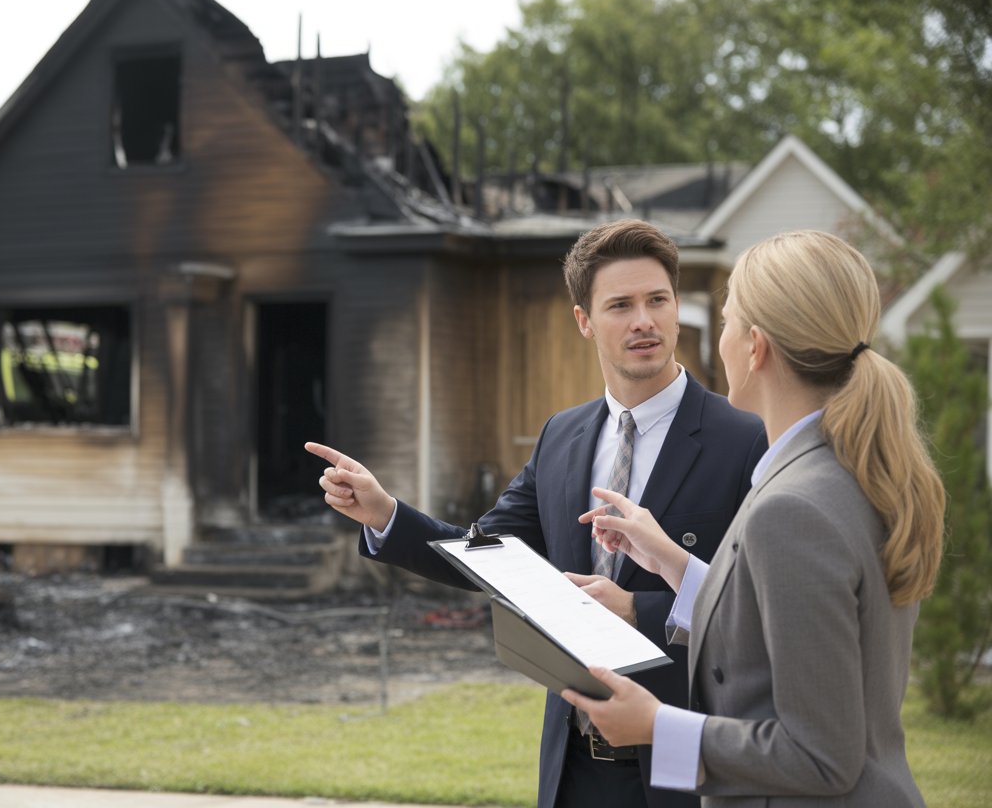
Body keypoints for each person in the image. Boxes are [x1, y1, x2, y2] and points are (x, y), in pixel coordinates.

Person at [306, 218, 767, 808]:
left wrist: (637, 609)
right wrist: (385, 513)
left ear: (678, 308)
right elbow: (489, 556)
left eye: (657, 300)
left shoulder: (744, 438)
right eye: (620, 305)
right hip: (572, 768)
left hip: (685, 770)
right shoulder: (562, 436)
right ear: (584, 321)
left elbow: (761, 608)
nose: (644, 321)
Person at [567, 230, 944, 807]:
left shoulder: (793, 507)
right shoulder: (845, 470)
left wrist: (656, 727)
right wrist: (675, 564)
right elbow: (782, 637)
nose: (717, 342)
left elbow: (821, 756)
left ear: (755, 347)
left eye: (726, 323)